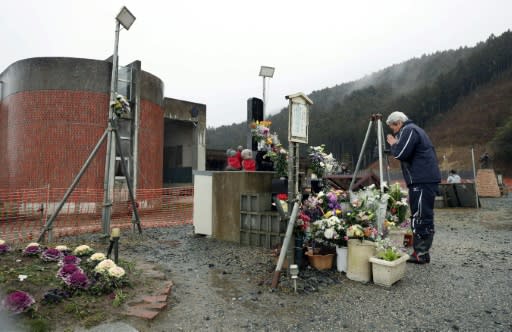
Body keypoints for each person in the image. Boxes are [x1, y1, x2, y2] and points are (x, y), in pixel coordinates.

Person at [386, 111, 441, 264]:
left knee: (421, 214)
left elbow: (402, 153)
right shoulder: (416, 130)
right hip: (423, 178)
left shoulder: (409, 130)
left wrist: (393, 144)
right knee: (423, 213)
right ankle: (422, 252)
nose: (394, 133)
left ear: (398, 123)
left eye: (393, 129)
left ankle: (421, 253)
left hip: (422, 179)